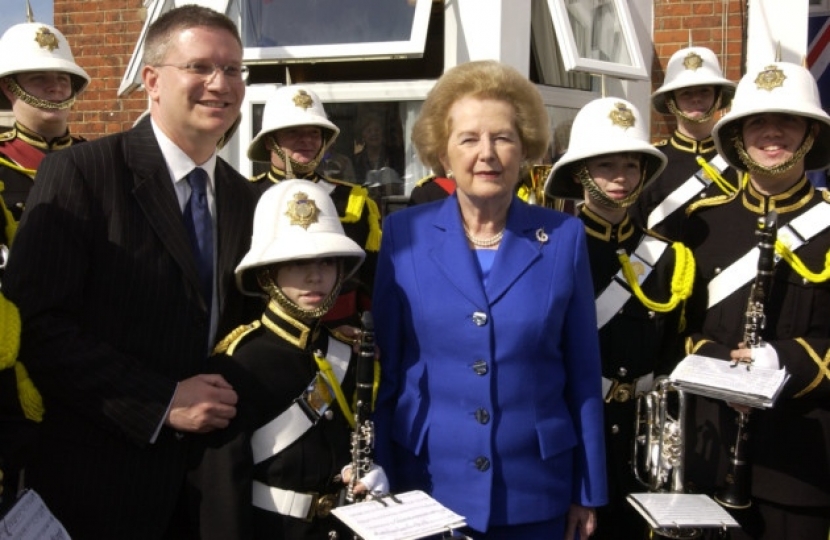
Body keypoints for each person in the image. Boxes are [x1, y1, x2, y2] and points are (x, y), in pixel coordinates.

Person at [2, 5, 259, 538]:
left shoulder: (246, 197)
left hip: (211, 491)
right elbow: (37, 325)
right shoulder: (81, 172)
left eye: (233, 69)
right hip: (100, 482)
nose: (220, 84)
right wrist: (160, 401)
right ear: (152, 81)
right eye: (200, 67)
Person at [372, 59, 608, 540]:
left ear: (525, 149)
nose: (488, 154)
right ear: (443, 153)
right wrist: (380, 471)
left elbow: (583, 372)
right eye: (469, 138)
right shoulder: (403, 233)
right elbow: (389, 370)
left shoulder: (563, 237)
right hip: (429, 484)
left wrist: (587, 488)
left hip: (535, 491)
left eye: (503, 137)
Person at [191, 179, 387, 540]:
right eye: (297, 263)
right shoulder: (239, 363)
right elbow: (221, 496)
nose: (315, 276)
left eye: (327, 262)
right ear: (268, 275)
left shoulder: (343, 351)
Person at [682, 61, 830, 539]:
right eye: (757, 122)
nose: (772, 133)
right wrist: (719, 367)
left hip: (799, 468)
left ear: (809, 133)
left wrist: (778, 360)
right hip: (710, 453)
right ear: (738, 137)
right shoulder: (701, 223)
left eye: (787, 120)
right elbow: (672, 331)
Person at [545, 97, 695, 539]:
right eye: (606, 164)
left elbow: (673, 355)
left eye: (631, 165)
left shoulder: (669, 259)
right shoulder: (551, 250)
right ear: (579, 173)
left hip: (641, 440)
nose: (620, 177)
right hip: (574, 432)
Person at [0, 16, 88, 515]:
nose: (57, 86)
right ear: (10, 88)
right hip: (16, 367)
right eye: (40, 79)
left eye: (63, 79)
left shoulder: (101, 162)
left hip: (93, 355)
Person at [247, 85, 382, 330]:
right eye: (293, 132)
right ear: (270, 141)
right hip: (266, 334)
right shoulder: (244, 195)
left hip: (341, 333)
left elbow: (369, 281)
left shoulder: (351, 199)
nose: (306, 140)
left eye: (314, 133)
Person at [630, 46, 737, 240]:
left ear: (717, 96)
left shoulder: (737, 158)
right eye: (686, 93)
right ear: (672, 101)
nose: (696, 98)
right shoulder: (651, 162)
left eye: (704, 91)